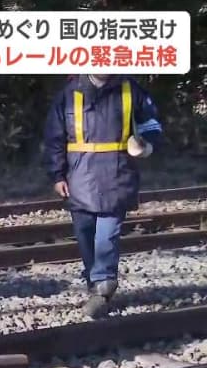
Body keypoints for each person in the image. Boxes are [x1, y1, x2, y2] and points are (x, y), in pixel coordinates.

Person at [43, 74, 163, 318]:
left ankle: (104, 285)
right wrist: (57, 176)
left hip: (117, 173)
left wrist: (146, 145)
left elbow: (152, 124)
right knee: (85, 233)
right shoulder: (68, 92)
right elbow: (54, 138)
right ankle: (94, 282)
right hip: (79, 175)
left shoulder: (131, 89)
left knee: (106, 235)